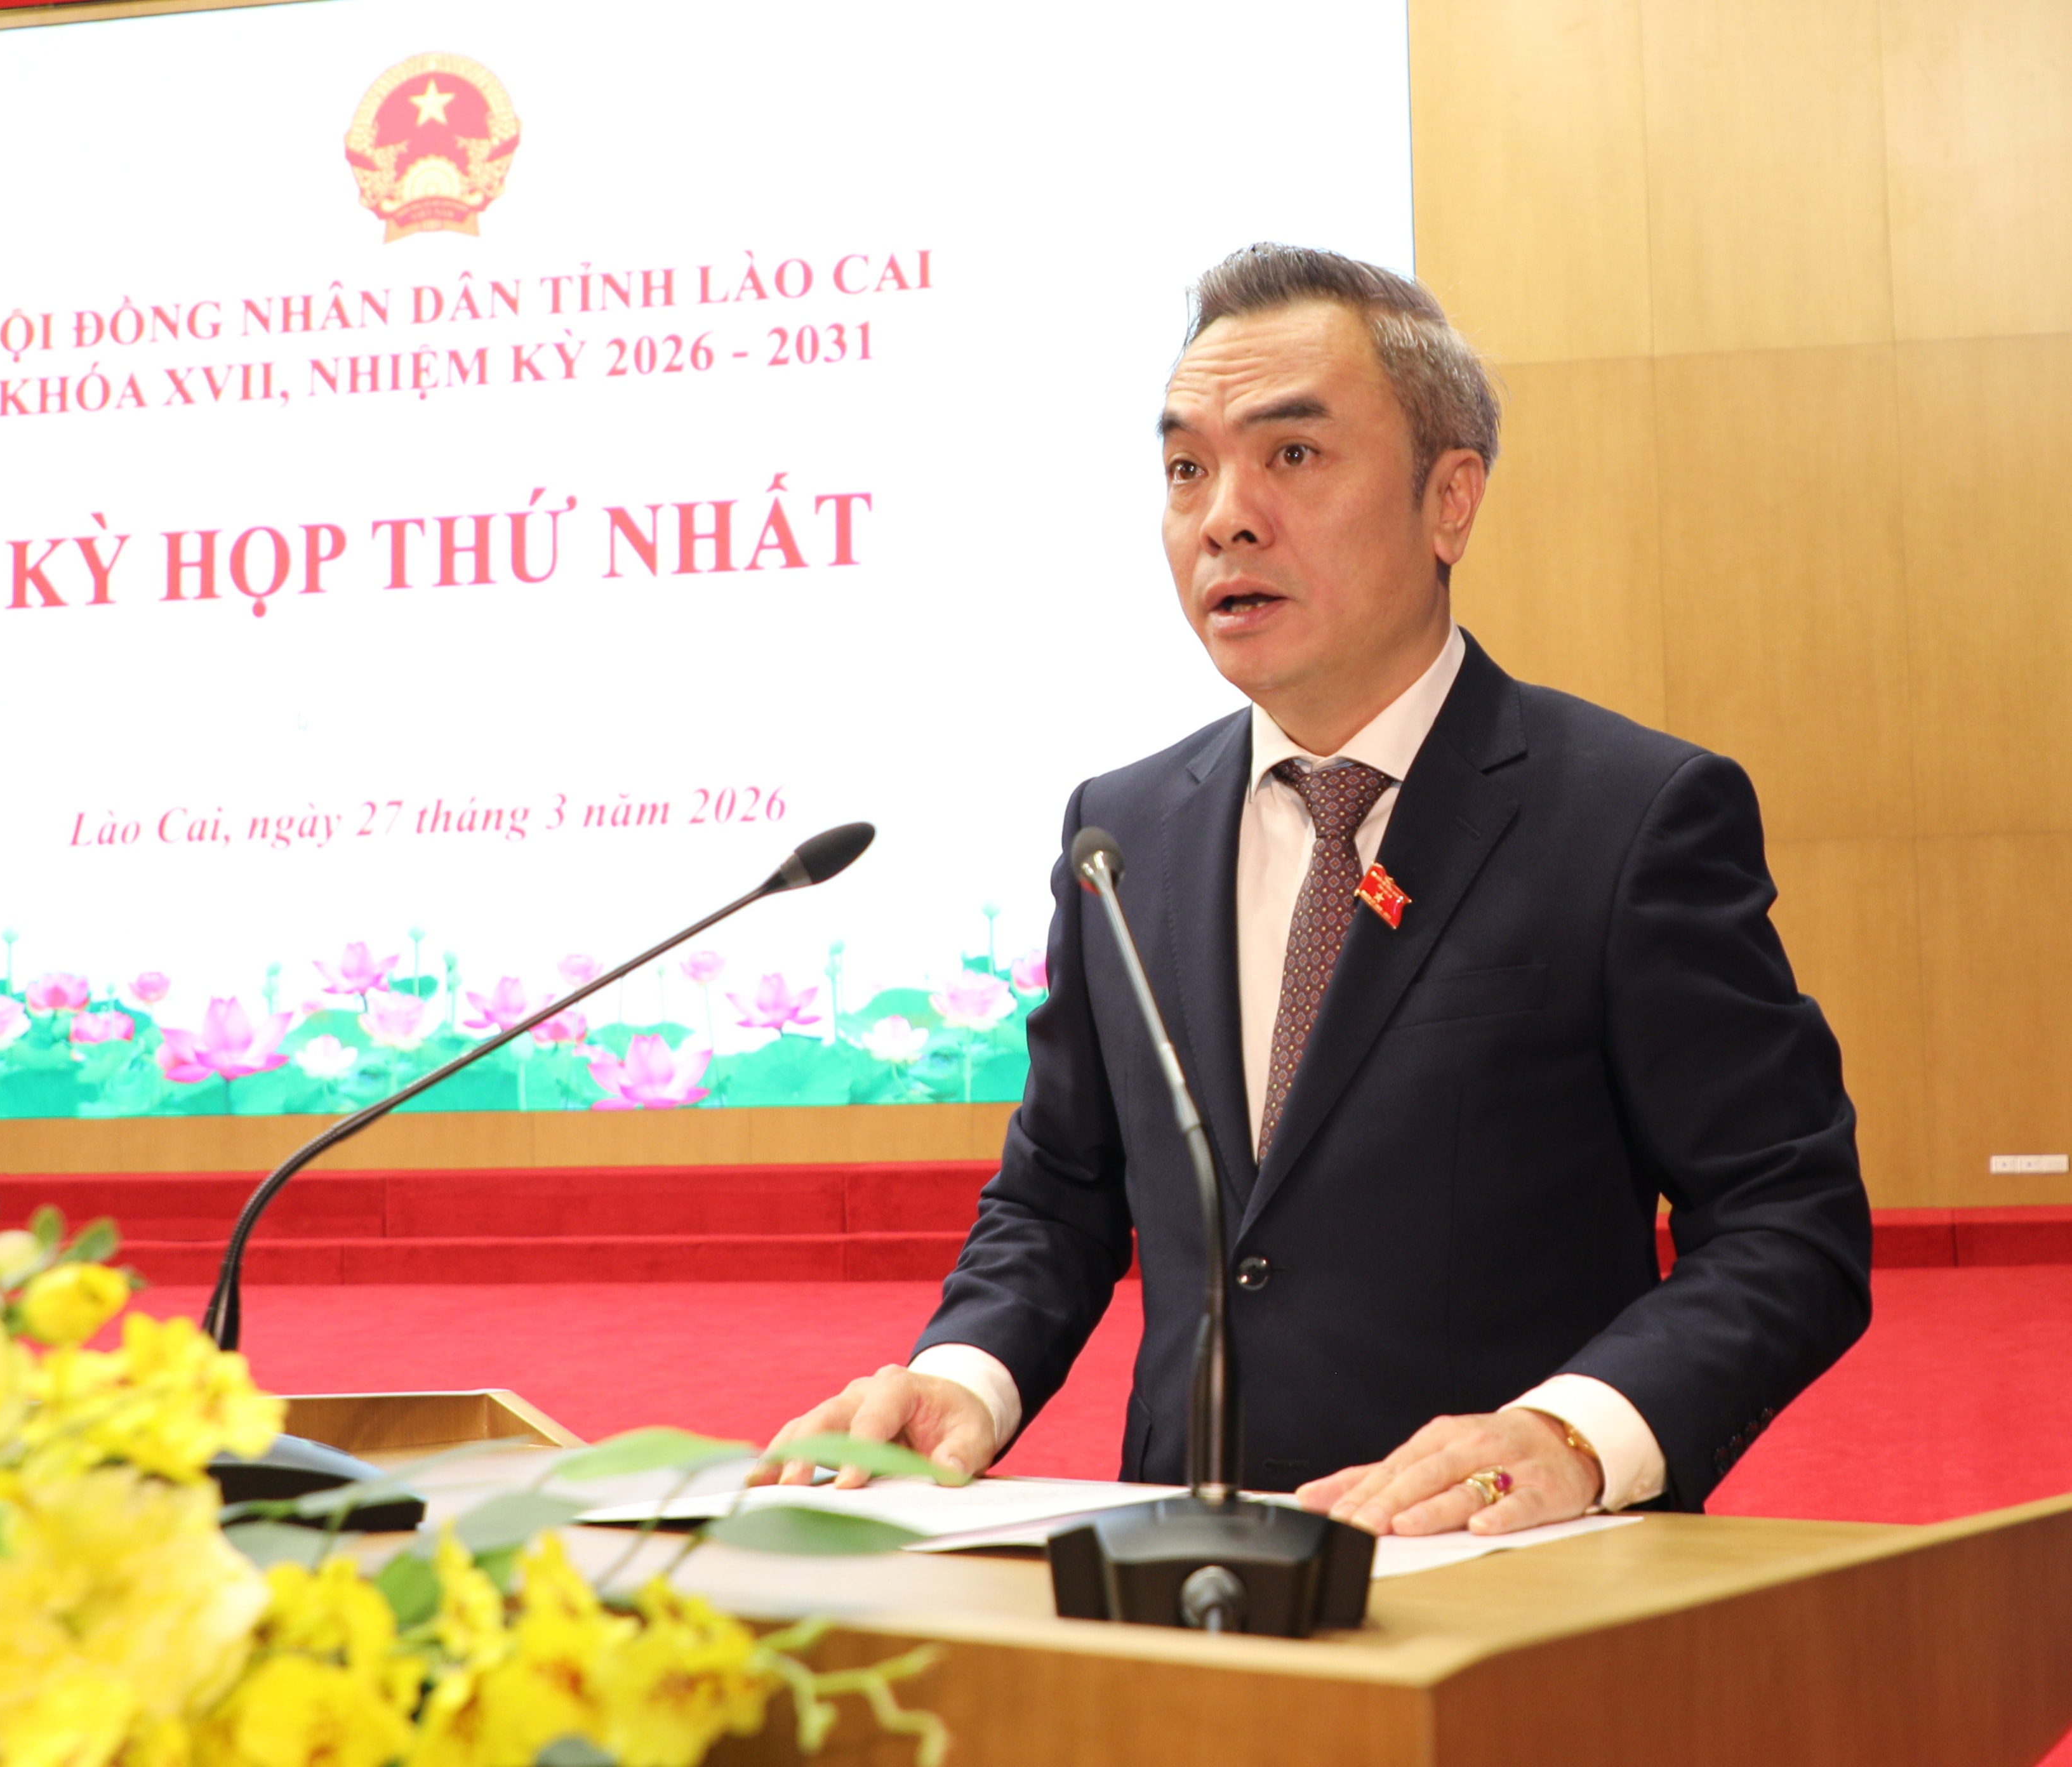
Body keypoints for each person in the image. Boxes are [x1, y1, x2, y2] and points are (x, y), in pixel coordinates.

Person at [755, 244, 1872, 1538]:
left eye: (1291, 454)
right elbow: (1058, 1196)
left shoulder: (1628, 816)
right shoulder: (1123, 831)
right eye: (1186, 469)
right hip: (1181, 1566)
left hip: (1507, 1574)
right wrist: (963, 1379)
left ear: (1449, 501)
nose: (1224, 517)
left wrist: (1575, 1434)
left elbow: (1788, 1221)